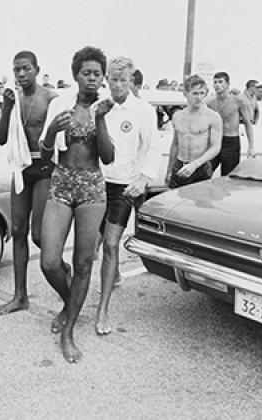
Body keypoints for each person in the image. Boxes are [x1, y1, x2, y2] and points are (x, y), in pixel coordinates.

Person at [39, 46, 114, 363]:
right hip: (62, 182)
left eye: (98, 73)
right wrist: (52, 131)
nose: (92, 78)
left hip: (92, 188)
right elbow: (44, 153)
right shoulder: (60, 103)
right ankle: (71, 303)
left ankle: (69, 329)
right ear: (76, 75)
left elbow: (108, 157)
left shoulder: (106, 107)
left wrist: (100, 121)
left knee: (84, 263)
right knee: (49, 261)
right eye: (87, 73)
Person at [0, 50, 58, 316]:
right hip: (21, 168)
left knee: (40, 235)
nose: (21, 74)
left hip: (43, 168)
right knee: (18, 231)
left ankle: (61, 268)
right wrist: (6, 109)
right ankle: (20, 296)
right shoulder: (13, 99)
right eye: (16, 69)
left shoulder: (50, 98)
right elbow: (1, 139)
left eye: (26, 69)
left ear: (36, 69)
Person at [95, 56, 156, 336]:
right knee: (90, 246)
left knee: (110, 245)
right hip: (98, 184)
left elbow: (153, 148)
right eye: (113, 80)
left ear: (131, 81)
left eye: (123, 80)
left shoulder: (144, 110)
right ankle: (114, 274)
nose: (118, 85)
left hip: (125, 187)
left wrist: (143, 179)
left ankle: (103, 309)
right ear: (107, 80)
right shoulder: (101, 108)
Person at [166, 75, 223, 188]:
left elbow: (215, 147)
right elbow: (176, 144)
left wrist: (194, 165)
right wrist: (169, 170)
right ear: (185, 93)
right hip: (180, 165)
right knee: (174, 202)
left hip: (200, 167)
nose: (199, 97)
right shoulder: (178, 116)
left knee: (199, 203)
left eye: (202, 93)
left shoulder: (212, 116)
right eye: (195, 93)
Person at [207, 71, 254, 176]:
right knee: (205, 173)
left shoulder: (238, 101)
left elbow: (248, 123)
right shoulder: (210, 103)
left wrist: (251, 146)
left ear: (228, 84)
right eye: (215, 82)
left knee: (228, 177)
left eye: (220, 82)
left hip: (231, 142)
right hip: (215, 141)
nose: (217, 85)